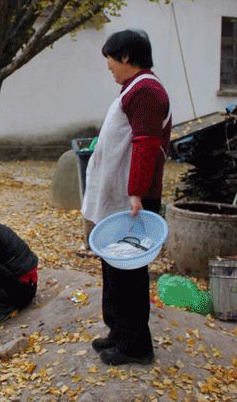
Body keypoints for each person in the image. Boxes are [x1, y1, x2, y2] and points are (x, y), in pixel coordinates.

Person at [81, 29, 171, 366]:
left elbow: (146, 144)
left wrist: (136, 193)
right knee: (113, 267)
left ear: (127, 57)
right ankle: (118, 332)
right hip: (120, 197)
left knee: (129, 273)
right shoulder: (134, 88)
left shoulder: (147, 91)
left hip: (131, 201)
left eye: (111, 60)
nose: (109, 68)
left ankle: (137, 346)